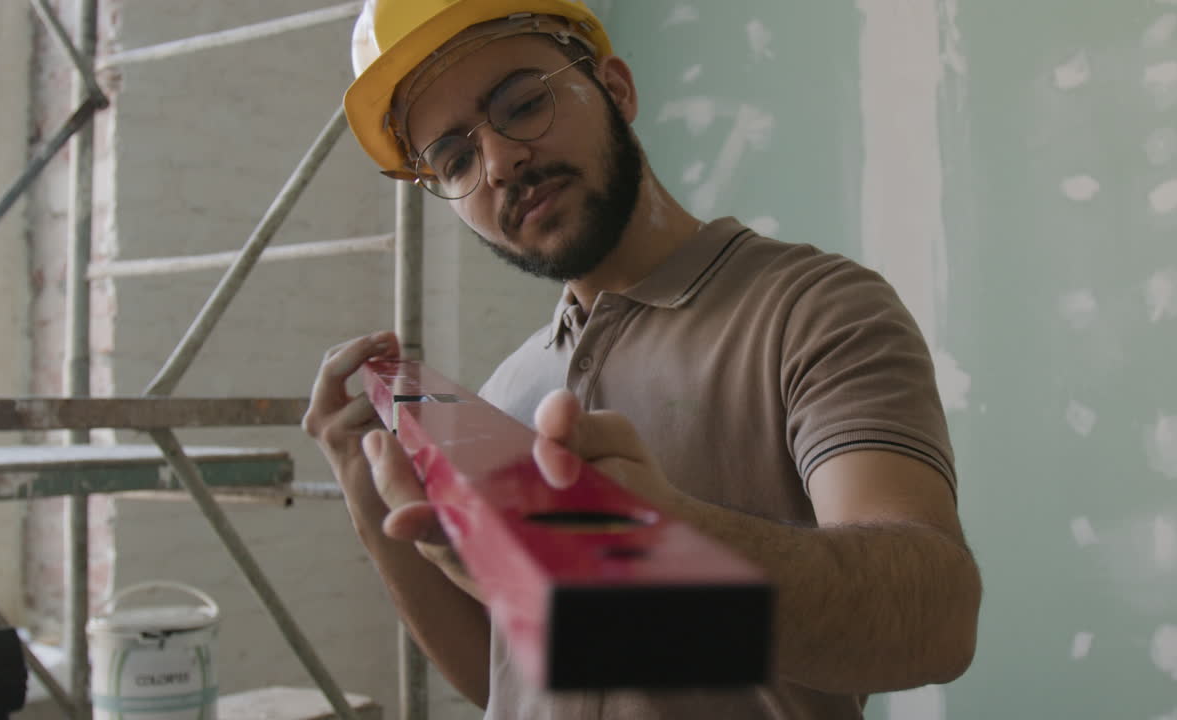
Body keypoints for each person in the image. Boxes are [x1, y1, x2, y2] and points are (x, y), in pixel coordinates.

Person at [303, 1, 983, 718]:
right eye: (456, 159)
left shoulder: (813, 310)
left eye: (524, 103)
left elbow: (937, 623)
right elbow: (512, 682)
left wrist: (669, 549)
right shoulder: (506, 393)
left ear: (616, 90)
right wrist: (375, 503)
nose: (500, 162)